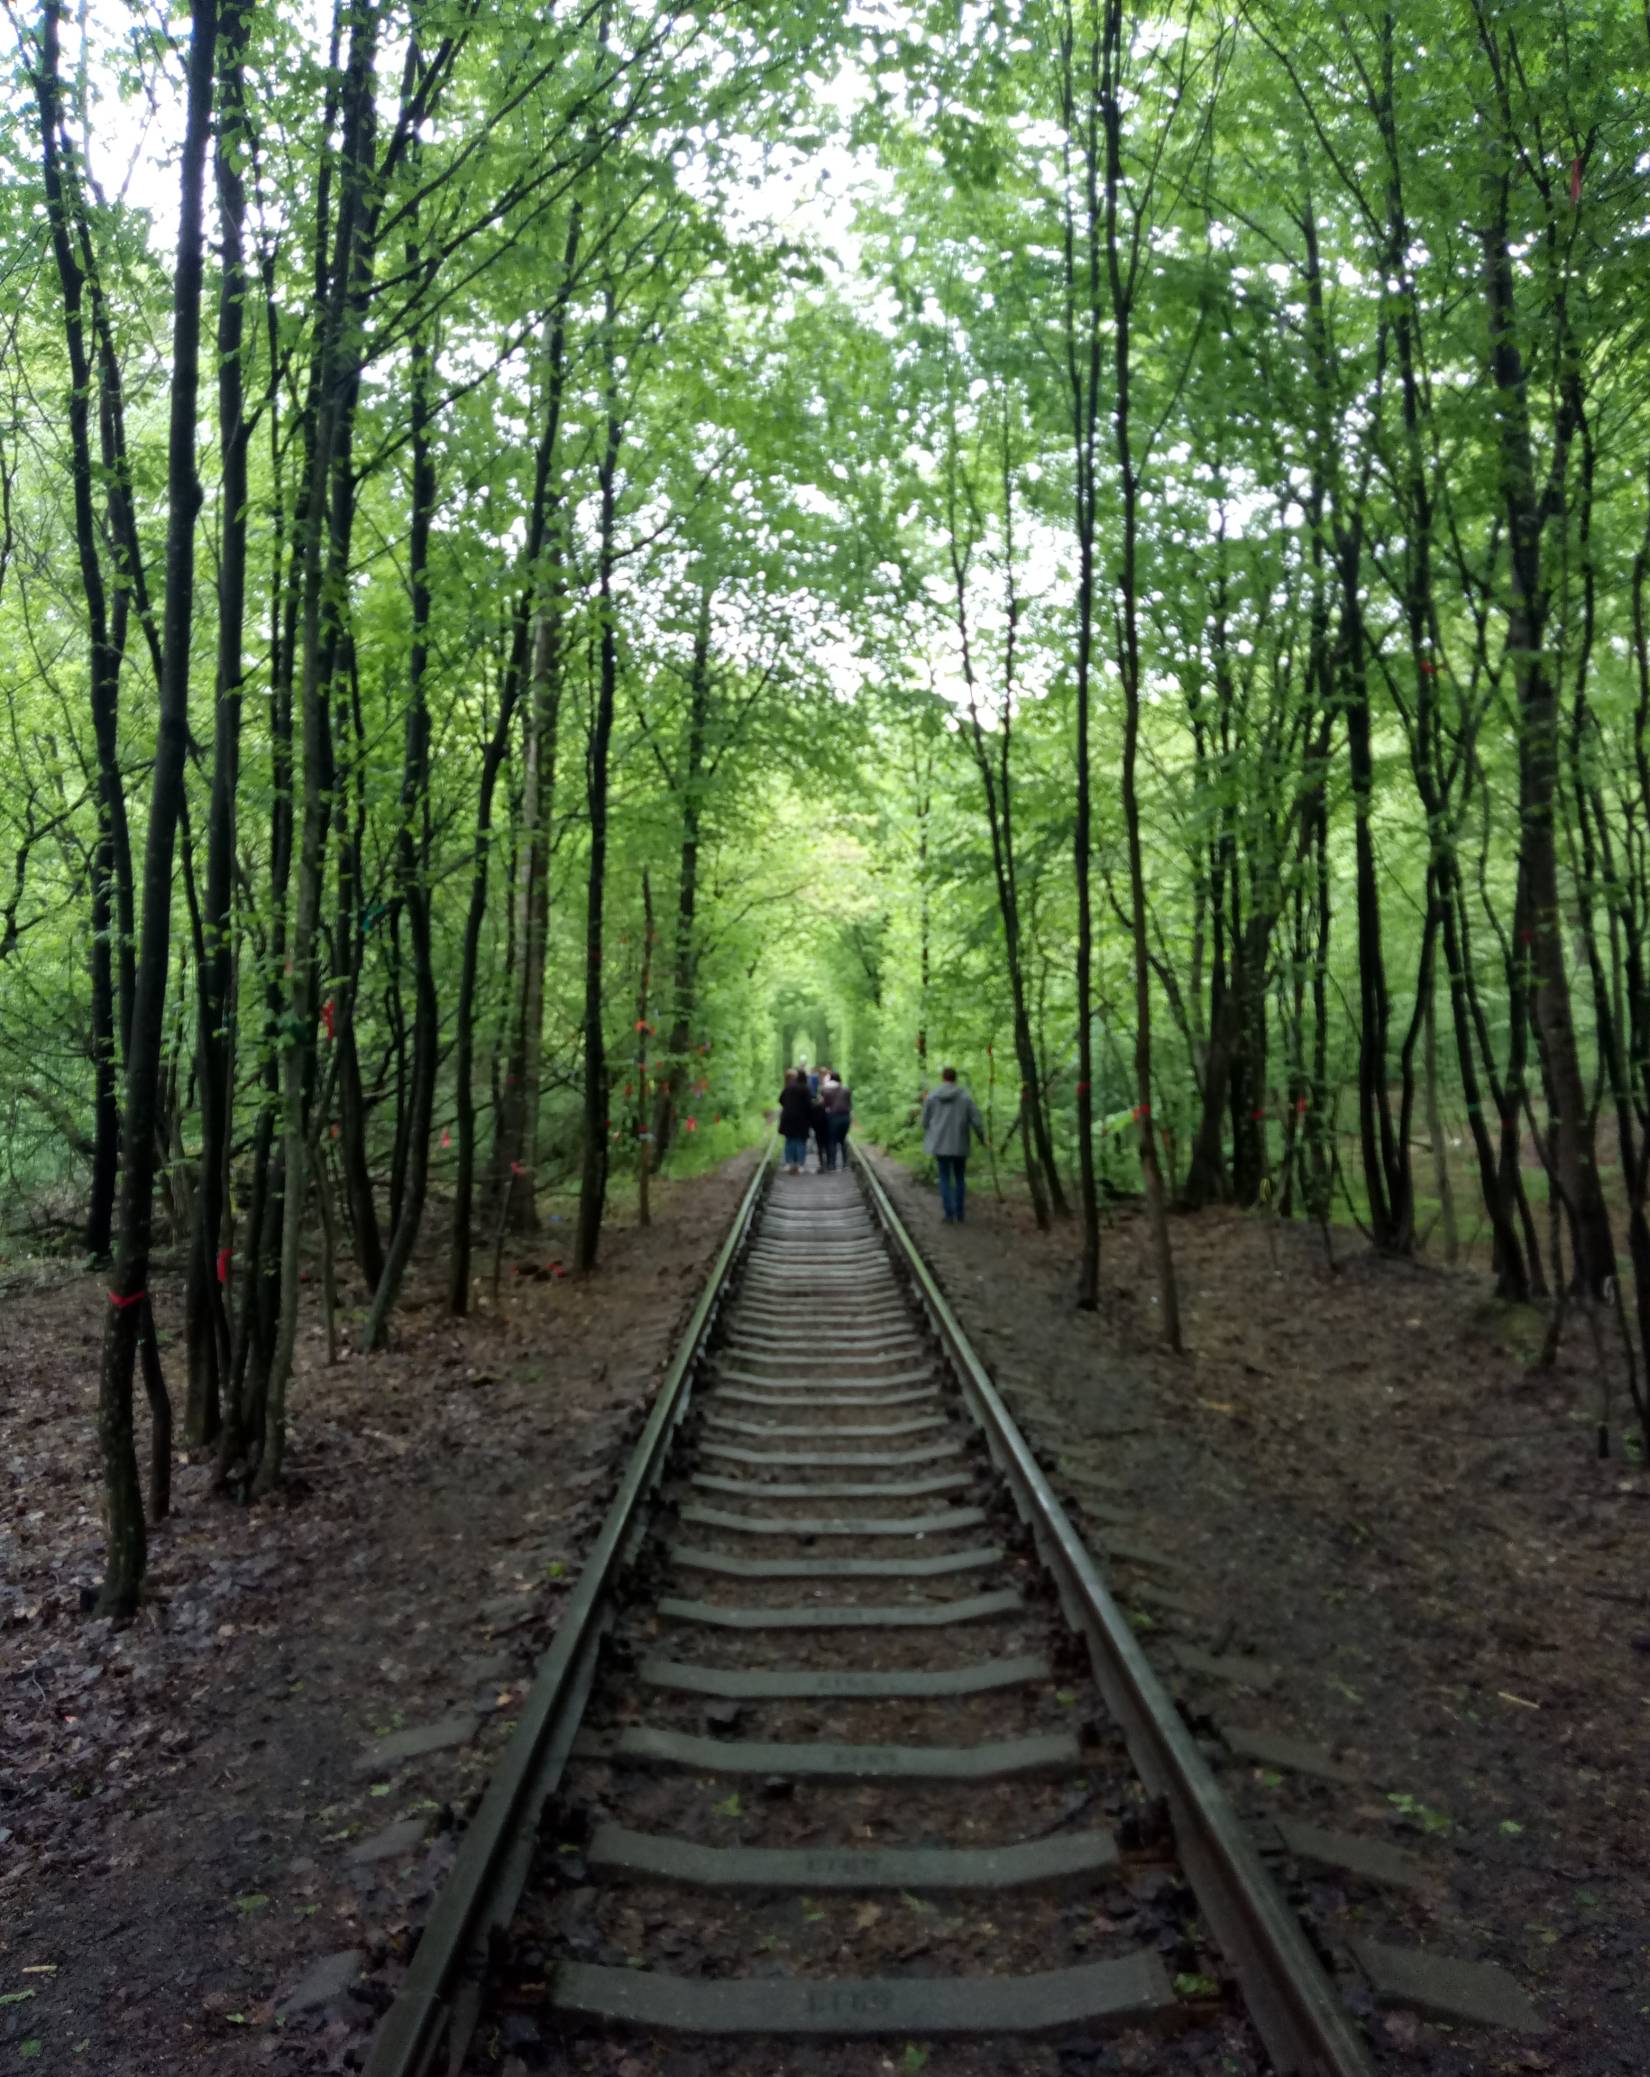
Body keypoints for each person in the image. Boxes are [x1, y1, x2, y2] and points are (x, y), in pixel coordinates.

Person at [922, 1065, 986, 1223]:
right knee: (959, 1178)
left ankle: (949, 1214)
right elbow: (976, 1121)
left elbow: (924, 1122)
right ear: (955, 1078)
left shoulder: (932, 1097)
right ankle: (960, 1213)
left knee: (944, 1178)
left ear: (943, 1078)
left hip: (940, 1144)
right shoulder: (965, 1097)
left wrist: (931, 1132)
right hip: (960, 1143)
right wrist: (982, 1138)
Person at [777, 1070, 813, 1174]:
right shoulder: (805, 1089)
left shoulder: (788, 1087)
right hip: (802, 1118)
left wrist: (789, 1106)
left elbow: (780, 1100)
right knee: (801, 1141)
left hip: (788, 1117)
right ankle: (800, 1165)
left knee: (789, 1140)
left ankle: (789, 1163)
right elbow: (809, 1105)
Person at [823, 1072, 852, 1170]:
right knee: (843, 1140)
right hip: (845, 1117)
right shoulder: (846, 1090)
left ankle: (832, 1164)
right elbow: (849, 1104)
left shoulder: (827, 1090)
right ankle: (845, 1163)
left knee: (832, 1140)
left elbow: (825, 1105)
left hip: (833, 1117)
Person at [810, 1075, 833, 1172]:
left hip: (819, 1129)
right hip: (828, 1129)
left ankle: (822, 1164)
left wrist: (814, 1127)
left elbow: (812, 1119)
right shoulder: (830, 1106)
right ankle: (829, 1164)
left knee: (820, 1147)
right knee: (828, 1146)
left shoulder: (816, 1106)